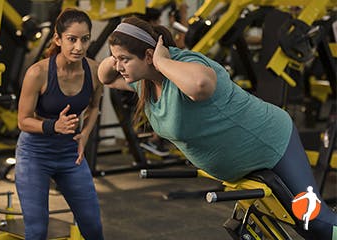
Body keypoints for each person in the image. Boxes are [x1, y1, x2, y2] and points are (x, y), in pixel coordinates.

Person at [97, 16, 337, 239]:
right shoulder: (146, 83)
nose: (118, 66)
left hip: (271, 143)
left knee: (313, 221)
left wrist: (161, 61)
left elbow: (201, 85)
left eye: (124, 60)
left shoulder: (185, 63)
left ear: (149, 56)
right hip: (243, 167)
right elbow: (104, 77)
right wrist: (119, 50)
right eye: (116, 59)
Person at [16, 8, 104, 240]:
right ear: (58, 39)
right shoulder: (38, 73)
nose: (79, 47)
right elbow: (23, 121)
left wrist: (84, 135)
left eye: (85, 39)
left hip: (70, 153)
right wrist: (52, 126)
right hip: (35, 154)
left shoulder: (94, 70)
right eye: (72, 39)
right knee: (36, 231)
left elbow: (95, 106)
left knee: (93, 227)